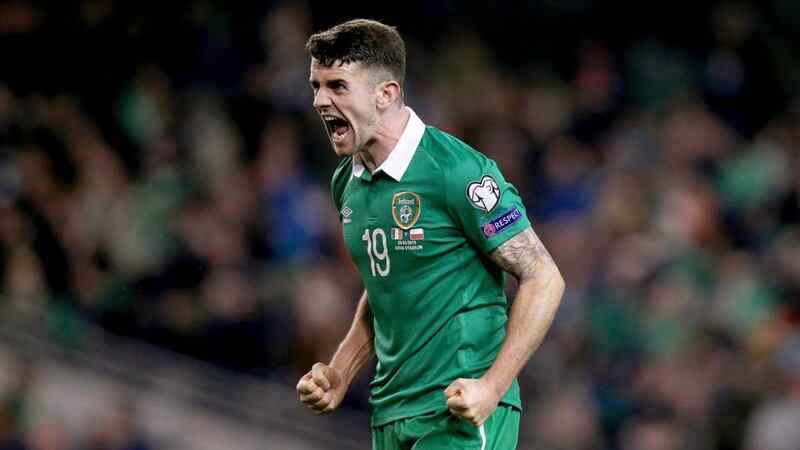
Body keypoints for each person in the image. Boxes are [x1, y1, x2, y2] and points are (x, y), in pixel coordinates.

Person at [296, 19, 565, 449]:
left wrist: (492, 387)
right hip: (390, 413)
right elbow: (386, 286)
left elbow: (544, 277)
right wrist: (341, 371)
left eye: (337, 86)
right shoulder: (347, 181)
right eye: (316, 86)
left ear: (386, 94)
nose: (319, 101)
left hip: (457, 409)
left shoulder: (456, 171)